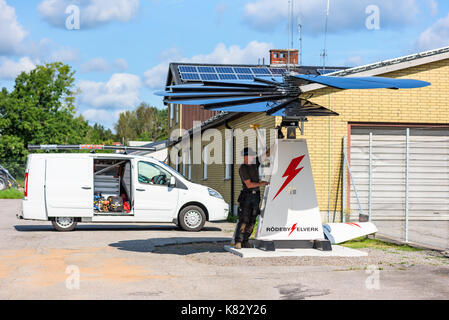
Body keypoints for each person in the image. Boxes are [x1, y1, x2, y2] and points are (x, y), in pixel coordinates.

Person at [234, 147, 270, 249]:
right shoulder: (243, 168)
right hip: (247, 196)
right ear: (245, 157)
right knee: (244, 219)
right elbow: (249, 184)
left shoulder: (254, 164)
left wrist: (276, 142)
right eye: (249, 156)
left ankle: (246, 241)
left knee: (252, 219)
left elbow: (265, 155)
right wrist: (262, 183)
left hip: (255, 196)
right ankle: (239, 241)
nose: (251, 157)